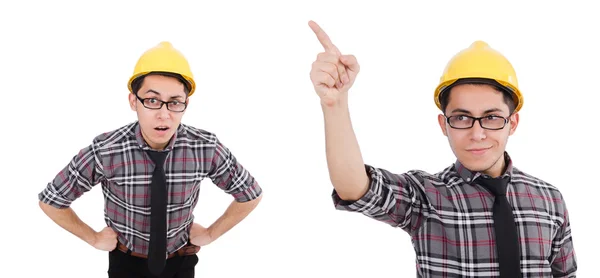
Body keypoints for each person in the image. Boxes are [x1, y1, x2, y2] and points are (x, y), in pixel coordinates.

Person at [308, 20, 576, 277]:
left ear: (512, 122)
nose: (477, 133)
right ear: (443, 124)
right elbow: (354, 187)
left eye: (492, 117)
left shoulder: (550, 200)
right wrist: (335, 103)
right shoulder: (426, 197)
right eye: (461, 118)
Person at [38, 41, 263, 278]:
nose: (164, 114)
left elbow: (250, 194)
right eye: (152, 100)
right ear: (133, 101)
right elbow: (52, 200)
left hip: (181, 262)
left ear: (185, 105)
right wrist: (93, 238)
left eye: (175, 102)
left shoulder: (205, 147)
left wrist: (210, 234)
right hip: (126, 263)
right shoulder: (106, 150)